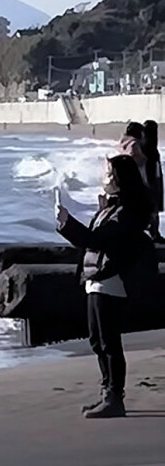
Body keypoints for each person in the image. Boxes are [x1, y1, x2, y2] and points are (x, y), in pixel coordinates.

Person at [56, 154, 154, 418]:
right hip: (97, 278)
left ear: (118, 179)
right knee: (98, 341)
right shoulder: (115, 207)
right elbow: (97, 239)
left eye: (107, 173)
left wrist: (66, 222)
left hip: (110, 280)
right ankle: (107, 393)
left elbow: (97, 241)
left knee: (109, 342)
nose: (103, 177)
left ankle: (114, 397)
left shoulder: (126, 212)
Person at [142, 119, 163, 241]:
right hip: (152, 183)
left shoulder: (145, 147)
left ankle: (153, 233)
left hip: (151, 182)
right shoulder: (150, 149)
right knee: (152, 210)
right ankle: (154, 234)